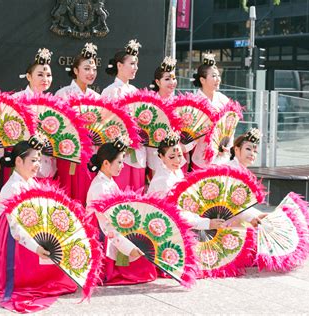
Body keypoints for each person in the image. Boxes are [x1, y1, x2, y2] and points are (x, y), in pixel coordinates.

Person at [0, 139, 77, 313]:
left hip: (29, 234)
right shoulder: (13, 187)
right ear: (18, 161)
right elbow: (16, 229)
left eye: (39, 160)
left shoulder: (32, 183)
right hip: (12, 241)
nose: (37, 165)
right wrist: (36, 247)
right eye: (33, 160)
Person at [86, 139, 156, 285]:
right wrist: (128, 248)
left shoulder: (107, 181)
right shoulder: (100, 187)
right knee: (143, 265)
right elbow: (106, 226)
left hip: (112, 229)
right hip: (102, 235)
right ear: (106, 163)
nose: (123, 166)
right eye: (119, 162)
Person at [147, 132, 224, 230]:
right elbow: (174, 213)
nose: (177, 160)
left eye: (179, 155)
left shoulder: (176, 171)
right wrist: (205, 223)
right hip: (165, 226)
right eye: (172, 157)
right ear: (161, 156)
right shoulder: (162, 181)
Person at [55, 43, 100, 205]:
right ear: (75, 71)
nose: (91, 73)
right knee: (67, 195)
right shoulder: (63, 94)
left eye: (94, 69)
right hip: (67, 153)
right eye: (87, 68)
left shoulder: (96, 97)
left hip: (90, 154)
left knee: (86, 195)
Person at [101, 39, 146, 192]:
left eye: (136, 64)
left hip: (138, 149)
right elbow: (105, 122)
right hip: (119, 151)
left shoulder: (135, 91)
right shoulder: (110, 91)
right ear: (119, 65)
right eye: (132, 64)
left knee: (137, 192)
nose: (135, 68)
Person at [13, 48, 56, 179]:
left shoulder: (54, 104)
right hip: (23, 163)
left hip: (47, 165)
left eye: (48, 75)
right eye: (40, 75)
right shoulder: (16, 100)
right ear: (28, 76)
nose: (45, 79)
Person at [187, 53, 235, 169]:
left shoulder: (223, 99)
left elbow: (230, 127)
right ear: (202, 80)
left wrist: (227, 146)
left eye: (218, 75)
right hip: (201, 158)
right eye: (213, 76)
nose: (218, 79)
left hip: (221, 157)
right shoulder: (194, 102)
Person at [226, 128, 267, 227]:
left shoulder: (243, 171)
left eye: (255, 151)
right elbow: (229, 201)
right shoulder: (229, 170)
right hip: (223, 222)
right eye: (248, 149)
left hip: (236, 220)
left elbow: (242, 204)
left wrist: (257, 215)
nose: (252, 153)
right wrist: (251, 217)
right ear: (236, 149)